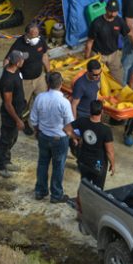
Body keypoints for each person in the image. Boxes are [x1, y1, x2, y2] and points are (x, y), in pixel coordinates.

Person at [29, 71, 76, 203]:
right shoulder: (64, 102)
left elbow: (33, 120)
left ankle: (40, 191)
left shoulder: (40, 98)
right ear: (61, 83)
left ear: (47, 83)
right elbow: (69, 124)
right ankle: (56, 195)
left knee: (42, 163)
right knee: (58, 166)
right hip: (59, 139)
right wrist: (72, 136)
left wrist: (38, 132)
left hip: (44, 136)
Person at [0, 50, 27, 178]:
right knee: (6, 140)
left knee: (12, 138)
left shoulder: (16, 71)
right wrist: (17, 120)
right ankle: (0, 166)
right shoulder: (7, 80)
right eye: (22, 59)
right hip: (10, 116)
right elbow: (8, 103)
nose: (24, 60)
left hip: (18, 111)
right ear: (17, 62)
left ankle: (6, 160)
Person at [72, 99, 115, 188]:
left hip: (83, 161)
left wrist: (76, 137)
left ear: (90, 110)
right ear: (102, 112)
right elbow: (109, 151)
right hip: (98, 164)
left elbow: (67, 129)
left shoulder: (82, 121)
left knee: (84, 186)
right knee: (97, 190)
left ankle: (80, 201)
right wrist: (113, 164)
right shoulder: (106, 130)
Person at [6, 22, 49, 107]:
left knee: (42, 102)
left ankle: (33, 119)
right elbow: (7, 60)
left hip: (40, 79)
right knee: (20, 105)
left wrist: (48, 72)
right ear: (27, 35)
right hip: (25, 82)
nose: (36, 38)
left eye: (37, 35)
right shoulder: (19, 44)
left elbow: (44, 55)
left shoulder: (41, 40)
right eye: (33, 36)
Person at [84, 0, 126, 82]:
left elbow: (128, 34)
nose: (113, 14)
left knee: (119, 79)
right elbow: (90, 42)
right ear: (106, 9)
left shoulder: (119, 21)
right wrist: (87, 59)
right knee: (96, 80)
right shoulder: (96, 23)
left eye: (115, 11)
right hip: (99, 55)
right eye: (111, 11)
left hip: (114, 54)